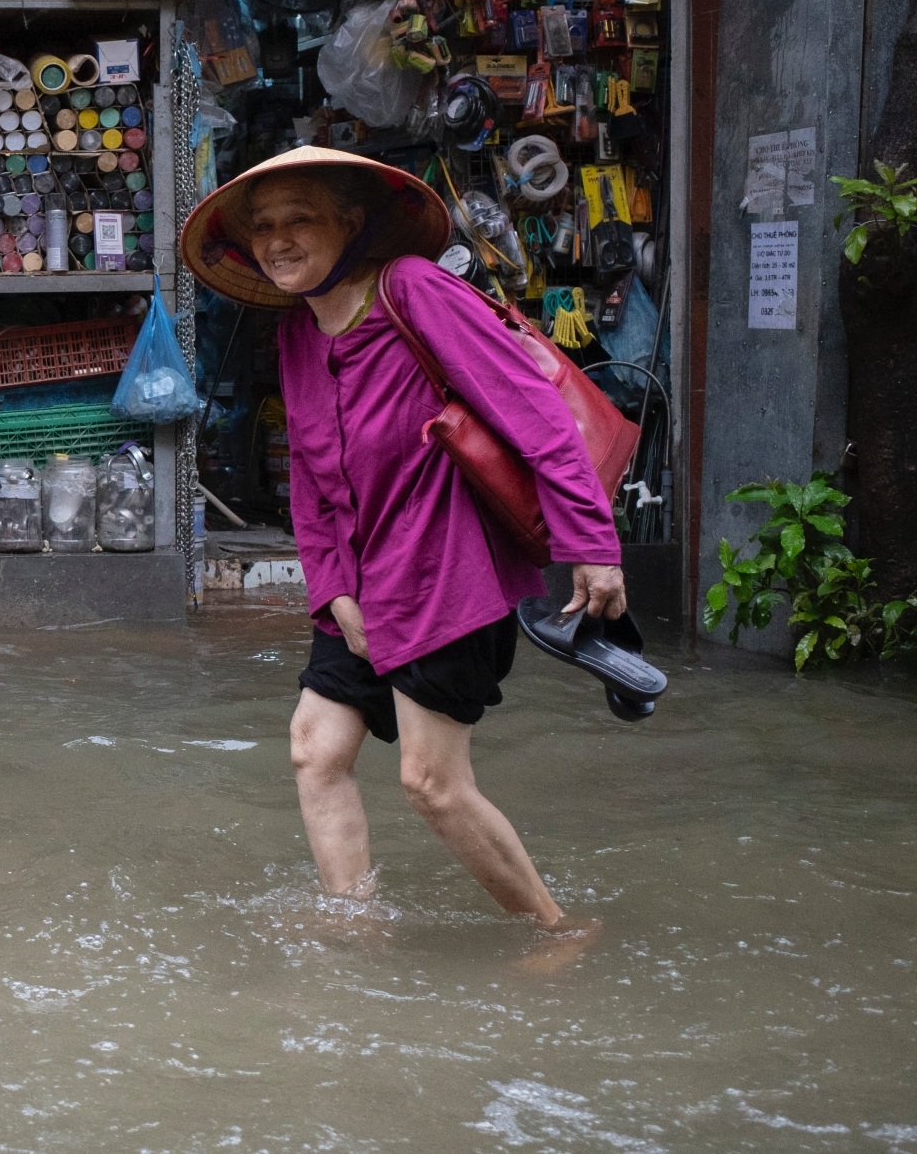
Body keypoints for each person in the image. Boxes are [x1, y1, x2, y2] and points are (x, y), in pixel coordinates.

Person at [180, 145, 622, 930]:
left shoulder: (415, 290)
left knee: (432, 782)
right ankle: (358, 936)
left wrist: (593, 544)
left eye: (300, 219)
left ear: (350, 223)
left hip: (448, 574)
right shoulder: (297, 334)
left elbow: (537, 413)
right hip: (362, 584)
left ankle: (557, 932)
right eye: (265, 226)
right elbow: (313, 486)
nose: (278, 239)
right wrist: (334, 591)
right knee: (316, 750)